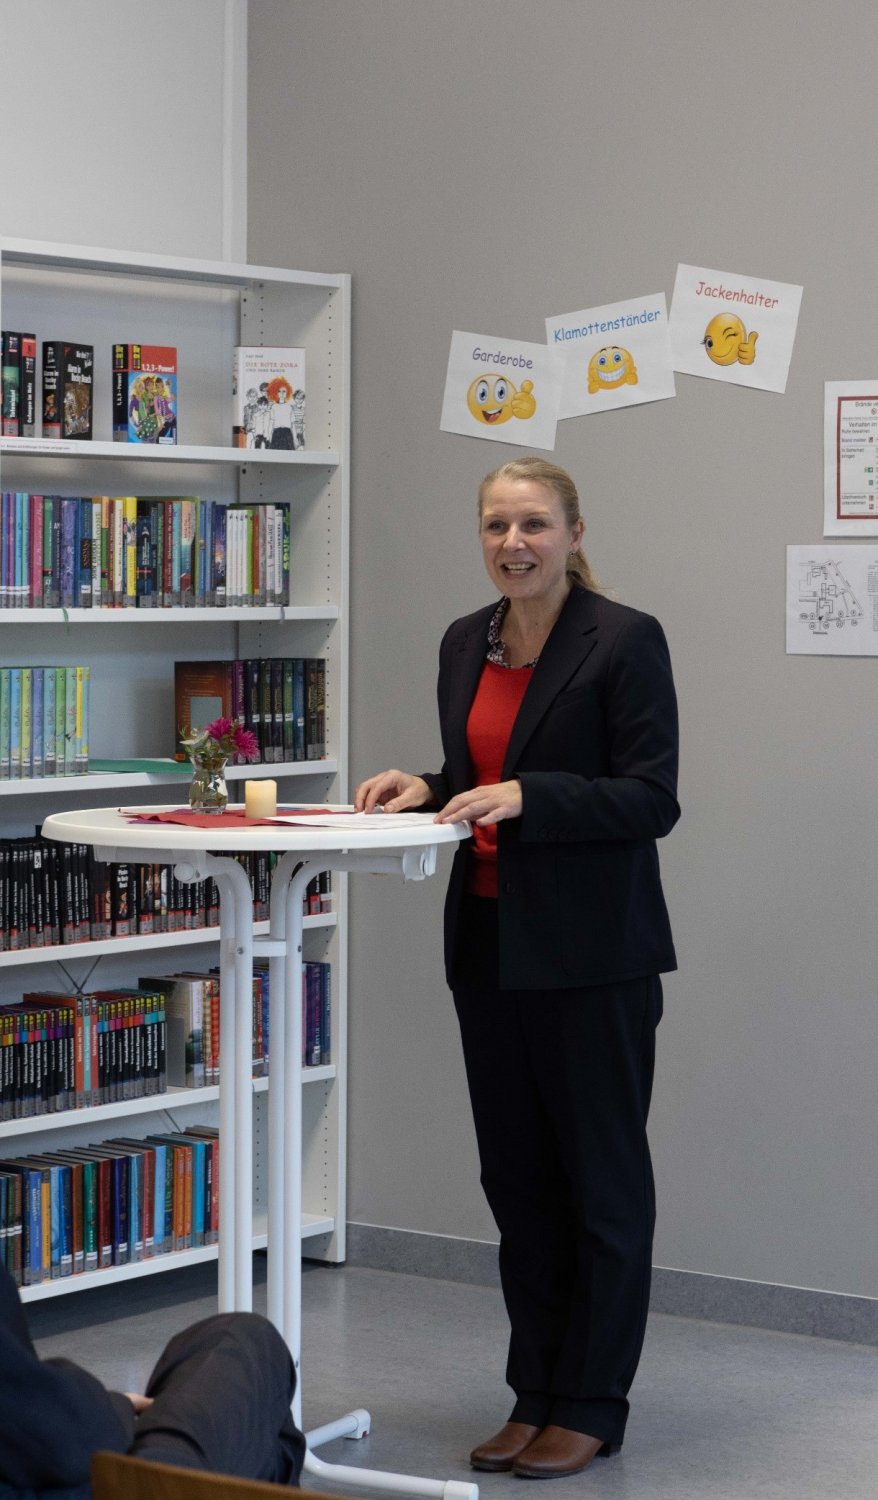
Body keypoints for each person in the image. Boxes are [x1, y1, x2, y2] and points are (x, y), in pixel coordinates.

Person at [355, 456, 679, 1480]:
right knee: (519, 1188)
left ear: (573, 533)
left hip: (591, 959)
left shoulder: (623, 638)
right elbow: (478, 776)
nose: (513, 543)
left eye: (533, 523)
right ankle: (533, 1393)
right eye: (496, 525)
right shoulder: (466, 640)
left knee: (599, 1190)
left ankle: (590, 1404)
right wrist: (429, 784)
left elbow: (650, 797)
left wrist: (531, 795)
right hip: (490, 950)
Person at [0, 1260, 306, 1498]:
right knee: (242, 1339)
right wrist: (119, 1406)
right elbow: (64, 1439)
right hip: (85, 1484)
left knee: (261, 1449)